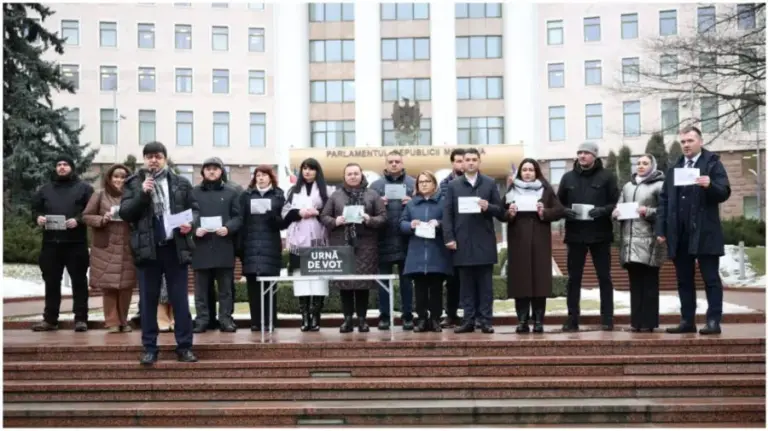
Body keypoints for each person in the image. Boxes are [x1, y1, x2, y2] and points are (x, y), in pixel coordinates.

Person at [119, 141, 199, 365]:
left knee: (180, 301)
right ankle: (150, 348)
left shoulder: (181, 182)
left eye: (158, 156)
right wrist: (143, 194)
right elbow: (126, 212)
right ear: (144, 159)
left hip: (175, 248)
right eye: (149, 156)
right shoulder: (134, 183)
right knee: (148, 301)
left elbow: (195, 209)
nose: (153, 160)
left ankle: (184, 347)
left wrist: (190, 223)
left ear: (165, 158)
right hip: (148, 250)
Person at [656, 126, 731, 335]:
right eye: (683, 142)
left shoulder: (713, 163)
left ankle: (714, 321)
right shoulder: (675, 167)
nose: (686, 145)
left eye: (690, 141)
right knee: (683, 279)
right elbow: (664, 200)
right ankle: (687, 320)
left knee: (710, 278)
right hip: (679, 233)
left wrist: (710, 185)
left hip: (705, 231)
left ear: (700, 141)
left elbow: (724, 192)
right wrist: (661, 229)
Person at [557, 142, 620, 332]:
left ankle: (607, 318)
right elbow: (558, 203)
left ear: (594, 156)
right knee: (573, 279)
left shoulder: (607, 176)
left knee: (604, 278)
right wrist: (565, 212)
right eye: (579, 153)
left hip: (600, 235)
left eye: (586, 153)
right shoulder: (568, 178)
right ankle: (572, 318)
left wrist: (602, 211)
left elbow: (615, 202)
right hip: (575, 236)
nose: (582, 156)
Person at [442, 148, 505, 334]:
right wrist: (449, 238)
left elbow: (501, 211)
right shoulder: (454, 185)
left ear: (479, 162)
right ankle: (468, 320)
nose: (469, 163)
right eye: (466, 160)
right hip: (461, 241)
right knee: (466, 286)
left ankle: (485, 320)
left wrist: (489, 207)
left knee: (485, 286)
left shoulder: (489, 183)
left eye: (473, 159)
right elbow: (447, 214)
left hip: (484, 240)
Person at [321, 163, 387, 333]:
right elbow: (324, 216)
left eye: (355, 173)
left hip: (366, 245)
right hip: (342, 244)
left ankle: (363, 320)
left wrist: (368, 219)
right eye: (349, 174)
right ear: (344, 177)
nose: (352, 176)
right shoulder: (336, 196)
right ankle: (348, 319)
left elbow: (383, 218)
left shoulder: (372, 194)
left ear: (361, 175)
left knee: (362, 284)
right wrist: (336, 221)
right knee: (345, 284)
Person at [31, 155, 94, 332]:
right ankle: (50, 320)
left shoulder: (84, 188)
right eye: (58, 164)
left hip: (76, 244)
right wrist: (38, 218)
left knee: (79, 282)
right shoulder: (45, 190)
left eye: (66, 164)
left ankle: (81, 319)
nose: (62, 167)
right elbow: (35, 209)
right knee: (51, 282)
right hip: (51, 244)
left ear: (72, 168)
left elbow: (91, 211)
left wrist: (79, 220)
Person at [503, 158, 565, 333]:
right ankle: (522, 320)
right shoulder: (512, 189)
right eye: (524, 170)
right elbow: (502, 212)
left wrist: (544, 212)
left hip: (540, 239)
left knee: (539, 280)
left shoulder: (545, 189)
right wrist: (510, 213)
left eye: (531, 169)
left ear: (536, 172)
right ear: (520, 172)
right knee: (520, 280)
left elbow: (559, 210)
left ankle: (538, 320)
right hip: (518, 240)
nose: (528, 173)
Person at [613, 154, 665, 333]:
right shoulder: (628, 186)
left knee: (649, 283)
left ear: (653, 165)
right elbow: (620, 205)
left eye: (645, 163)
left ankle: (649, 323)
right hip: (629, 242)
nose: (641, 166)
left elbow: (665, 211)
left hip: (649, 241)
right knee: (635, 284)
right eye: (639, 163)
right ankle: (636, 322)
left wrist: (648, 211)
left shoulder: (660, 185)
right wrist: (616, 213)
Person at [82, 164, 136, 333]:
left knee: (126, 287)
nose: (119, 180)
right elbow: (86, 216)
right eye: (116, 176)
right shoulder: (99, 194)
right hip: (106, 246)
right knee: (109, 286)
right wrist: (102, 219)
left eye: (123, 177)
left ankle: (124, 321)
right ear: (109, 178)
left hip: (128, 246)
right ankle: (112, 321)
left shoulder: (133, 197)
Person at [191, 157, 242, 333]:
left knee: (226, 289)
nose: (211, 171)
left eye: (215, 168)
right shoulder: (194, 192)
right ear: (203, 172)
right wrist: (194, 229)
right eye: (208, 168)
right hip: (201, 246)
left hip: (224, 245)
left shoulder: (231, 192)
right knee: (201, 290)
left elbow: (239, 217)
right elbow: (187, 215)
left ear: (221, 171)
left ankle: (226, 319)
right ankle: (202, 320)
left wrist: (228, 228)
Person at [399, 171, 452, 333]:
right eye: (421, 182)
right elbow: (401, 224)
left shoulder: (443, 203)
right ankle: (421, 319)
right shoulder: (411, 204)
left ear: (434, 184)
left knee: (436, 289)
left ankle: (435, 319)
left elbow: (451, 223)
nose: (424, 184)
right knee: (420, 290)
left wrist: (439, 223)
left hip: (437, 253)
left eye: (427, 181)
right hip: (417, 253)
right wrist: (411, 225)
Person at [281, 158, 330, 332]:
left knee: (319, 280)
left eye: (311, 169)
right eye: (304, 168)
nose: (307, 172)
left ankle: (316, 316)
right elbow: (284, 216)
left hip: (319, 242)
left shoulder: (326, 191)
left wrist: (318, 212)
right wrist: (298, 212)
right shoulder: (293, 191)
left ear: (317, 171)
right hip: (298, 243)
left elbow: (331, 213)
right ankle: (305, 317)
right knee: (301, 279)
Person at [370, 150, 416, 331]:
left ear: (403, 163)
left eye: (397, 161)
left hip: (407, 240)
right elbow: (367, 209)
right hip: (383, 239)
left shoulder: (413, 183)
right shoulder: (375, 186)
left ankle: (407, 316)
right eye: (391, 161)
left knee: (407, 282)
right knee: (383, 282)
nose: (394, 164)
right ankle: (384, 316)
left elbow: (424, 203)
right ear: (385, 164)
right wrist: (377, 203)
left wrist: (412, 201)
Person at [239, 165, 286, 332]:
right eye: (258, 175)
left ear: (270, 177)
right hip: (251, 246)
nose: (261, 178)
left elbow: (284, 222)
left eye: (264, 175)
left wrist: (275, 218)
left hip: (270, 246)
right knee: (253, 287)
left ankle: (270, 321)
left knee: (270, 287)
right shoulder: (246, 196)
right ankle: (256, 321)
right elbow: (241, 221)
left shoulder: (279, 195)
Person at [438, 148, 465, 328]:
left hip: (472, 235)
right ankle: (451, 313)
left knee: (472, 279)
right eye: (458, 161)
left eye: (465, 160)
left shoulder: (479, 182)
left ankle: (474, 314)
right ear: (453, 163)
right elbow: (444, 210)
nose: (462, 164)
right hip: (452, 235)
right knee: (452, 279)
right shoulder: (445, 183)